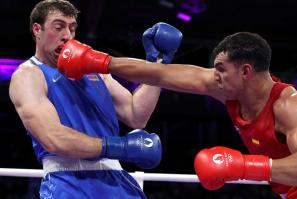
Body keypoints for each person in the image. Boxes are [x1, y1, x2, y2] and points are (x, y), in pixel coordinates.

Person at [57, 23, 297, 198]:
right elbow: (160, 75)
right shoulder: (225, 88)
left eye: (222, 70)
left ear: (246, 71)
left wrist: (244, 167)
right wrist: (100, 62)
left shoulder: (290, 104)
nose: (215, 75)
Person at [9, 0, 182, 198]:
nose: (67, 36)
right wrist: (121, 147)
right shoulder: (28, 75)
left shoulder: (93, 69)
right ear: (37, 30)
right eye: (58, 27)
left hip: (117, 179)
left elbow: (136, 115)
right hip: (67, 182)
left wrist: (157, 65)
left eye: (72, 29)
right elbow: (53, 139)